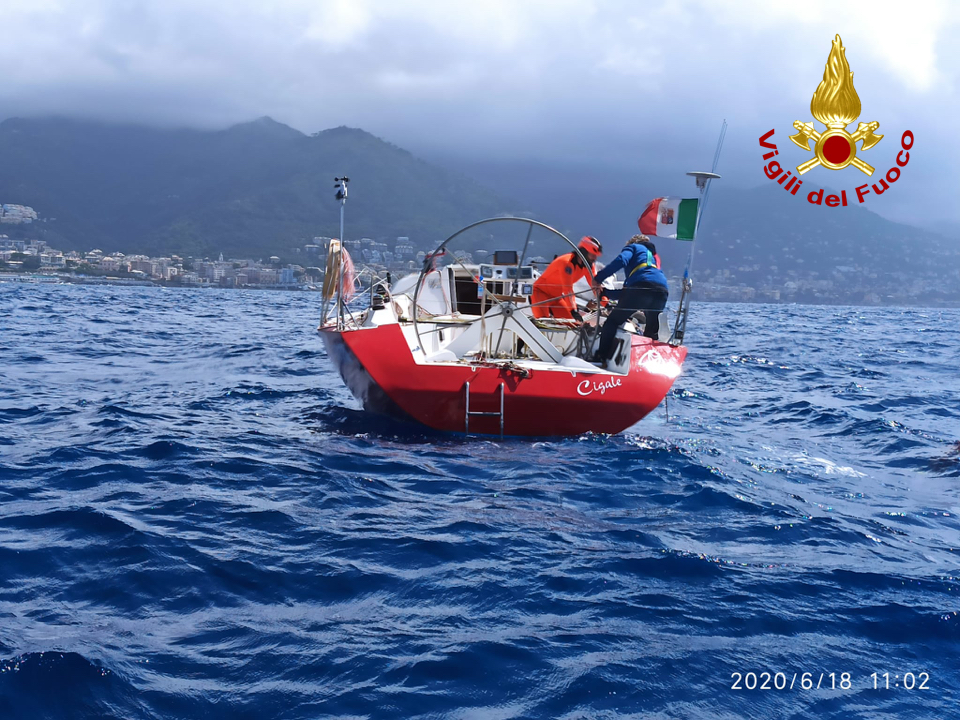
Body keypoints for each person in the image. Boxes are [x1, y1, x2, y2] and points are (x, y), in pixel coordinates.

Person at [592, 234, 668, 365]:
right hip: (662, 290)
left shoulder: (633, 247)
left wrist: (598, 278)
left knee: (612, 322)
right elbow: (630, 293)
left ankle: (601, 357)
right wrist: (605, 293)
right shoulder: (652, 258)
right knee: (651, 328)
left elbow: (621, 261)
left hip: (640, 288)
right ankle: (648, 362)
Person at [530, 236, 602, 321]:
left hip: (556, 297)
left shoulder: (589, 266)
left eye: (596, 256)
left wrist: (605, 302)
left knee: (572, 323)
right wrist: (573, 311)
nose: (595, 258)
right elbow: (568, 289)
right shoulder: (566, 262)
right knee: (543, 321)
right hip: (540, 293)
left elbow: (595, 285)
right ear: (584, 252)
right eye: (592, 255)